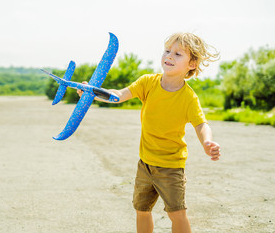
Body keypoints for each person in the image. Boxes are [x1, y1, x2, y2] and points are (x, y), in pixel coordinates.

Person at [77, 32, 221, 233]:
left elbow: (201, 124)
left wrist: (207, 142)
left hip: (171, 167)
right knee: (142, 209)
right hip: (145, 163)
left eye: (178, 54)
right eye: (167, 51)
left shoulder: (188, 98)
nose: (169, 56)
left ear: (192, 64)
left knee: (176, 214)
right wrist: (93, 92)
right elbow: (118, 95)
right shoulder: (148, 82)